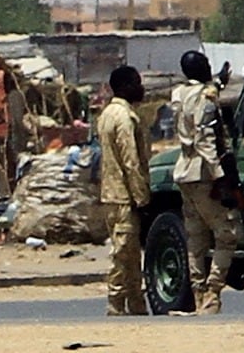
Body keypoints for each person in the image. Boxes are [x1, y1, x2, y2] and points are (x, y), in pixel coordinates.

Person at [171, 50, 242, 315]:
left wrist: (218, 83)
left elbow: (202, 95)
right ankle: (212, 292)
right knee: (227, 235)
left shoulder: (179, 94)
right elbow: (205, 139)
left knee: (196, 238)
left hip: (184, 171)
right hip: (203, 173)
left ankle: (198, 293)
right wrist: (220, 177)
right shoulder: (205, 98)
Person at [96, 65, 151, 316]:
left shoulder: (107, 113)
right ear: (126, 86)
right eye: (137, 83)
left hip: (110, 194)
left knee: (130, 254)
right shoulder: (124, 117)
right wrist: (142, 197)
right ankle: (116, 301)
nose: (141, 88)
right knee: (122, 251)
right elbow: (131, 161)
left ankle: (137, 304)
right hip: (123, 196)